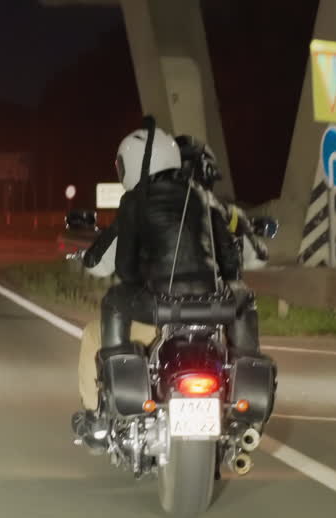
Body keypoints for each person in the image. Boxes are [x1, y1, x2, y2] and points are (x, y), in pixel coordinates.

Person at [71, 116, 265, 450]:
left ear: (128, 165)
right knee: (245, 300)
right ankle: (245, 382)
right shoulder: (206, 200)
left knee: (107, 313)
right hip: (212, 311)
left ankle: (98, 423)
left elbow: (122, 268)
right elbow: (235, 262)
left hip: (159, 310)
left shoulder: (136, 201)